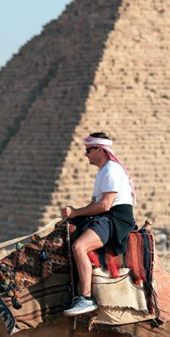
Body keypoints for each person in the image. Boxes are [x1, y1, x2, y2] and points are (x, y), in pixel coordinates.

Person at [60, 132, 136, 316]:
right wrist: (74, 213)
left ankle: (85, 298)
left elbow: (105, 205)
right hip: (105, 216)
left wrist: (76, 212)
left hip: (116, 219)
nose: (85, 154)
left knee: (79, 247)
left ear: (100, 150)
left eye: (88, 150)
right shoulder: (103, 171)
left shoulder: (111, 170)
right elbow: (94, 205)